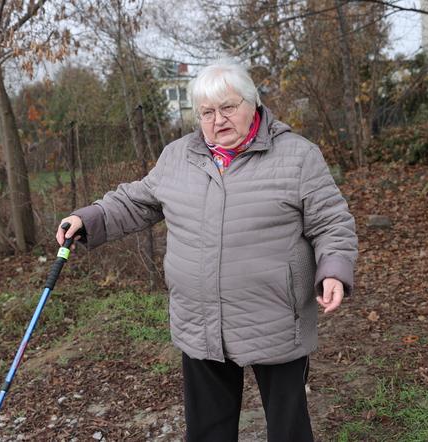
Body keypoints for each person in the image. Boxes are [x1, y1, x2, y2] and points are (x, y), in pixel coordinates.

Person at [56, 59, 358, 442]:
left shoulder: (297, 156)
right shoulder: (177, 157)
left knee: (288, 428)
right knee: (207, 431)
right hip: (200, 320)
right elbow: (137, 201)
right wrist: (90, 218)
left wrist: (333, 268)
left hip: (276, 318)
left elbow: (331, 220)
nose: (219, 120)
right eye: (207, 112)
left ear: (253, 104)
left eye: (228, 107)